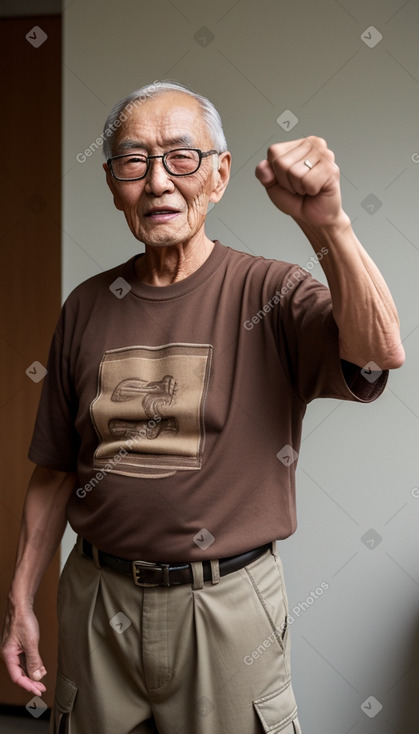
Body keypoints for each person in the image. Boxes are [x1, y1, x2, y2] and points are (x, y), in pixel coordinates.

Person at [1, 80, 404, 734]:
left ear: (218, 177)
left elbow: (378, 351)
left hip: (225, 606)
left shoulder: (269, 292)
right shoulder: (86, 304)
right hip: (98, 598)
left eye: (181, 158)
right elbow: (54, 472)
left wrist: (326, 224)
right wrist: (20, 597)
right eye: (134, 161)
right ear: (112, 184)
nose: (159, 182)